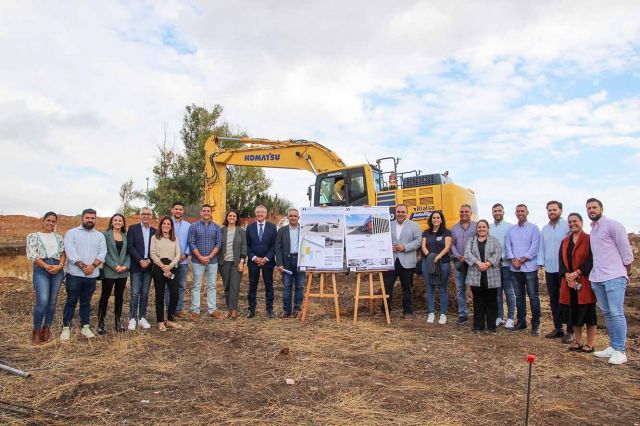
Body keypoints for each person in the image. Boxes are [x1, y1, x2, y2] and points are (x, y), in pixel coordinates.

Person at [586, 198, 634, 365]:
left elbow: (625, 250)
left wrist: (627, 271)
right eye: (589, 208)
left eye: (594, 207)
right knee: (607, 313)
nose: (591, 210)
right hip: (598, 277)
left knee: (616, 312)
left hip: (614, 276)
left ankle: (620, 351)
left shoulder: (613, 225)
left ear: (601, 208)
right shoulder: (593, 230)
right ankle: (613, 346)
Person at [61, 209, 107, 340]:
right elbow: (70, 252)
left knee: (86, 302)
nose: (90, 220)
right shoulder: (72, 233)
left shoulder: (99, 236)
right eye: (88, 217)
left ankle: (85, 327)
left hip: (91, 276)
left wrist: (92, 266)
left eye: (93, 218)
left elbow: (102, 253)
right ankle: (66, 327)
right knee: (71, 301)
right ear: (82, 218)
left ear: (95, 219)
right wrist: (83, 266)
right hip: (74, 274)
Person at [559, 213, 597, 353]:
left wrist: (578, 272)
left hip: (585, 282)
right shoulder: (565, 241)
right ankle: (578, 341)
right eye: (570, 222)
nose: (572, 224)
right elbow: (561, 261)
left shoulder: (589, 239)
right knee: (573, 311)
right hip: (569, 283)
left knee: (589, 312)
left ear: (581, 222)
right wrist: (567, 275)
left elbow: (592, 259)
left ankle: (590, 343)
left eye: (575, 221)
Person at [26, 212, 66, 344]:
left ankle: (46, 328)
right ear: (43, 221)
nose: (50, 223)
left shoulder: (59, 237)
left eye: (53, 221)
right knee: (42, 301)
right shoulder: (33, 236)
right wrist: (47, 267)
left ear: (55, 223)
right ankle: (36, 330)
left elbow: (63, 253)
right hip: (41, 269)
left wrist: (60, 266)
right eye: (48, 220)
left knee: (52, 302)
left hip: (57, 269)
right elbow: (33, 255)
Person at [538, 201, 572, 342]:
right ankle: (558, 328)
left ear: (561, 210)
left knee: (567, 299)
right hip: (550, 269)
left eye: (554, 209)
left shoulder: (567, 226)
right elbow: (542, 248)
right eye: (549, 210)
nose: (552, 212)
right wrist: (540, 264)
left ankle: (570, 330)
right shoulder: (545, 229)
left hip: (565, 269)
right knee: (553, 299)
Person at [506, 204, 541, 335]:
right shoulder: (512, 230)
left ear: (527, 212)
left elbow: (535, 246)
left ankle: (536, 325)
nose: (520, 213)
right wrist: (513, 260)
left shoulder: (534, 228)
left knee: (533, 297)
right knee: (519, 297)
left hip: (529, 268)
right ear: (515, 213)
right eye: (518, 211)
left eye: (522, 211)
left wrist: (522, 260)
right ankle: (521, 322)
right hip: (514, 269)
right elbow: (508, 246)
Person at [383, 204, 422, 319]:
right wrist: (388, 247)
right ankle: (385, 311)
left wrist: (404, 247)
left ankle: (408, 312)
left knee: (407, 288)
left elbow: (418, 241)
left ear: (407, 213)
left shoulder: (414, 226)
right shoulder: (389, 225)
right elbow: (383, 240)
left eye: (403, 212)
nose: (400, 214)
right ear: (395, 213)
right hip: (391, 261)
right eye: (398, 212)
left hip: (407, 262)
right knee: (387, 287)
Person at [465, 220, 502, 333]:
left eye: (484, 227)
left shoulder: (494, 241)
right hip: (476, 275)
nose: (481, 229)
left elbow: (498, 254)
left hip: (491, 274)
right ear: (476, 229)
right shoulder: (471, 241)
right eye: (479, 227)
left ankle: (491, 326)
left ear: (487, 228)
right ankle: (478, 326)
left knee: (491, 301)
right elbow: (467, 254)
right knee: (478, 301)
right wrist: (478, 263)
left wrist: (488, 263)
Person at [188, 204, 223, 320]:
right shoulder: (193, 227)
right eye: (204, 211)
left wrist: (209, 257)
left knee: (212, 285)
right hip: (197, 261)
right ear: (201, 212)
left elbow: (219, 243)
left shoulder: (217, 227)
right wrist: (200, 257)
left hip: (212, 261)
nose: (206, 213)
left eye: (208, 211)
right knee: (196, 286)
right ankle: (195, 310)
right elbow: (191, 243)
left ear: (211, 213)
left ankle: (212, 309)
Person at [98, 214, 130, 335]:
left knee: (119, 296)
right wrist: (114, 265)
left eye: (120, 220)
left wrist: (125, 266)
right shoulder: (105, 235)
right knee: (105, 296)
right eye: (115, 220)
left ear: (123, 223)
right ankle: (101, 322)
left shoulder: (125, 236)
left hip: (123, 271)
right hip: (109, 270)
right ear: (111, 222)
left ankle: (118, 320)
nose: (117, 222)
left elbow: (128, 253)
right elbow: (103, 252)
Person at [150, 216, 182, 331]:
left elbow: (178, 254)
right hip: (159, 267)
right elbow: (152, 253)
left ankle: (169, 320)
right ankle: (160, 321)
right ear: (161, 225)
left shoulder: (175, 238)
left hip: (171, 267)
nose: (166, 226)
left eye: (168, 224)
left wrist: (170, 266)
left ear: (171, 226)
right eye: (164, 223)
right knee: (160, 294)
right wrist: (162, 266)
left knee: (175, 294)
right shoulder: (155, 238)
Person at [127, 207, 156, 331]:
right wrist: (140, 260)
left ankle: (142, 317)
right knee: (134, 292)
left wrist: (148, 260)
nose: (146, 216)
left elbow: (156, 249)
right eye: (143, 214)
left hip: (149, 266)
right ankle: (132, 318)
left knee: (144, 293)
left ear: (151, 216)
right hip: (136, 266)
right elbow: (130, 247)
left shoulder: (155, 231)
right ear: (140, 216)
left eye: (148, 214)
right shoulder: (133, 229)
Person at [246, 205, 278, 318]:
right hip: (253, 262)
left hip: (268, 262)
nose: (260, 214)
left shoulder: (273, 227)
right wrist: (254, 258)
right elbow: (247, 246)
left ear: (266, 214)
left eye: (262, 212)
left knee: (269, 286)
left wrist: (266, 259)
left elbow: (274, 246)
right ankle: (251, 309)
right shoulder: (249, 228)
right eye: (258, 212)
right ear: (255, 214)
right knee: (252, 286)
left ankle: (269, 310)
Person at [421, 210, 452, 324]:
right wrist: (430, 257)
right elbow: (423, 246)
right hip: (427, 263)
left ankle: (443, 314)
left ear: (441, 219)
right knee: (430, 288)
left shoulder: (446, 232)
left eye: (438, 217)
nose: (436, 219)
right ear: (431, 219)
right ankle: (431, 312)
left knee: (443, 288)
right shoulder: (426, 232)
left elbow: (447, 247)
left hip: (443, 262)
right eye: (434, 218)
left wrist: (437, 257)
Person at [276, 208, 306, 318]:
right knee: (287, 286)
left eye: (295, 216)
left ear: (298, 218)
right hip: (286, 262)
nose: (293, 217)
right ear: (288, 217)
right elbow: (278, 248)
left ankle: (297, 309)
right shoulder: (282, 230)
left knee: (300, 286)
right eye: (291, 216)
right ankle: (286, 310)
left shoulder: (304, 230)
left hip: (300, 260)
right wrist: (279, 263)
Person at [450, 204, 477, 325]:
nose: (464, 213)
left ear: (471, 213)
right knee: (460, 289)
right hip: (459, 262)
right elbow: (451, 244)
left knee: (476, 289)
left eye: (466, 211)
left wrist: (469, 256)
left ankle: (478, 313)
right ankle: (462, 314)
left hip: (473, 263)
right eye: (462, 212)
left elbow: (479, 242)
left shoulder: (476, 226)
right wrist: (457, 256)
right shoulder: (454, 228)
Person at [489, 203, 515, 329]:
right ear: (492, 213)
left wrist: (502, 258)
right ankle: (499, 316)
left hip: (506, 264)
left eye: (499, 210)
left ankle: (510, 318)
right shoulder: (489, 227)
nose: (497, 213)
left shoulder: (510, 227)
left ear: (503, 212)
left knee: (509, 291)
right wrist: (493, 260)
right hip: (493, 265)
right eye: (495, 211)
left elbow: (511, 245)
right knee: (497, 292)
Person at [219, 209, 247, 320]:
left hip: (236, 263)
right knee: (226, 287)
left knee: (234, 286)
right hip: (223, 263)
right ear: (227, 217)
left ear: (237, 218)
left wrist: (242, 262)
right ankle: (229, 309)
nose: (231, 217)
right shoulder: (222, 230)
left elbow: (244, 247)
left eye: (234, 216)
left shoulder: (241, 231)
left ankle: (234, 310)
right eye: (230, 216)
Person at [166, 201, 191, 319]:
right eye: (176, 209)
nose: (178, 211)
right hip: (170, 262)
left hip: (183, 261)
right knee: (168, 286)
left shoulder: (188, 225)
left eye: (180, 209)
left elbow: (191, 242)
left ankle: (178, 309)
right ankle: (168, 309)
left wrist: (185, 254)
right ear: (172, 210)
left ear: (183, 211)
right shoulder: (167, 223)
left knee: (181, 286)